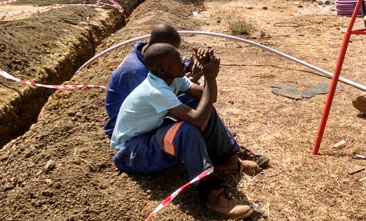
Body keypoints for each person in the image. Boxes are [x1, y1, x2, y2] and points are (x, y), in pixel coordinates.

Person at [110, 43, 254, 219]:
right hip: (133, 152)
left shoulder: (172, 78)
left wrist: (209, 73)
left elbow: (209, 97)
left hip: (149, 135)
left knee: (200, 106)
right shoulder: (156, 90)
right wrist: (209, 76)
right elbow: (199, 121)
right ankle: (212, 195)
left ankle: (227, 160)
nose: (183, 63)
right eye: (176, 61)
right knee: (187, 130)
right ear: (162, 69)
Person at [103, 24, 269, 164]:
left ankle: (228, 150)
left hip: (152, 112)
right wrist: (205, 78)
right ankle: (220, 159)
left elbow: (205, 94)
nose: (181, 59)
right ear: (161, 51)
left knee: (200, 102)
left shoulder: (150, 56)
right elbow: (192, 114)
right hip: (133, 131)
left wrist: (193, 66)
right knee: (194, 112)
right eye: (176, 56)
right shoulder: (136, 72)